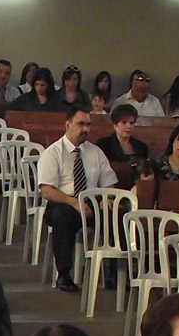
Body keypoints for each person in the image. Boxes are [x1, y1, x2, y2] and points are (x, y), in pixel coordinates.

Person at [37, 105, 118, 294]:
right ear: (68, 125)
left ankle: (116, 273)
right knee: (63, 217)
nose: (85, 129)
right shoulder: (53, 152)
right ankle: (64, 274)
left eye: (88, 125)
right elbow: (47, 190)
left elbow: (109, 183)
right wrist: (74, 202)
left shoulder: (95, 152)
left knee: (118, 215)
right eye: (81, 124)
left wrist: (107, 198)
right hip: (64, 201)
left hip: (92, 203)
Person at [99, 103, 151, 170]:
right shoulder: (103, 145)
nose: (128, 126)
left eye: (131, 123)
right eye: (124, 122)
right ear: (115, 125)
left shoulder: (142, 147)